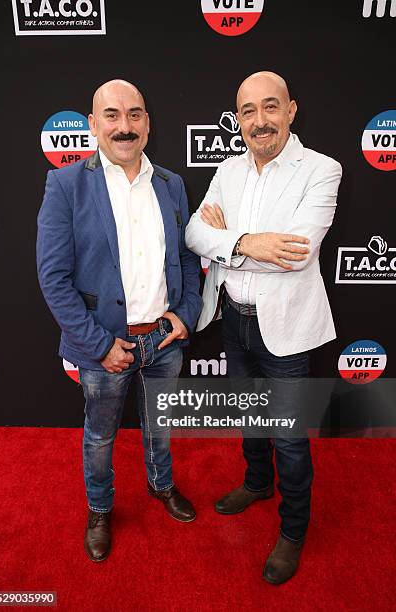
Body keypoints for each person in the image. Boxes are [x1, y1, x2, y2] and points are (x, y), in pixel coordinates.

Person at [185, 71, 342, 585]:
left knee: (290, 439)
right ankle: (257, 483)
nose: (259, 121)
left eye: (270, 107)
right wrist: (248, 242)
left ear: (291, 111)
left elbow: (295, 255)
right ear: (239, 118)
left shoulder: (322, 170)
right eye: (248, 111)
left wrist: (227, 239)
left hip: (287, 329)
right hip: (234, 318)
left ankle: (293, 531)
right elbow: (193, 232)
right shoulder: (228, 171)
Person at [37, 79, 202, 562]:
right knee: (100, 434)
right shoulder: (66, 185)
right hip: (104, 345)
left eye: (134, 115)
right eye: (111, 115)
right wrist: (97, 344)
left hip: (164, 340)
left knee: (161, 425)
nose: (123, 126)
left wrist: (185, 317)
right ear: (93, 124)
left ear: (148, 123)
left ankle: (162, 484)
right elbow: (53, 277)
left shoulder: (172, 185)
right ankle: (100, 508)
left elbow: (190, 260)